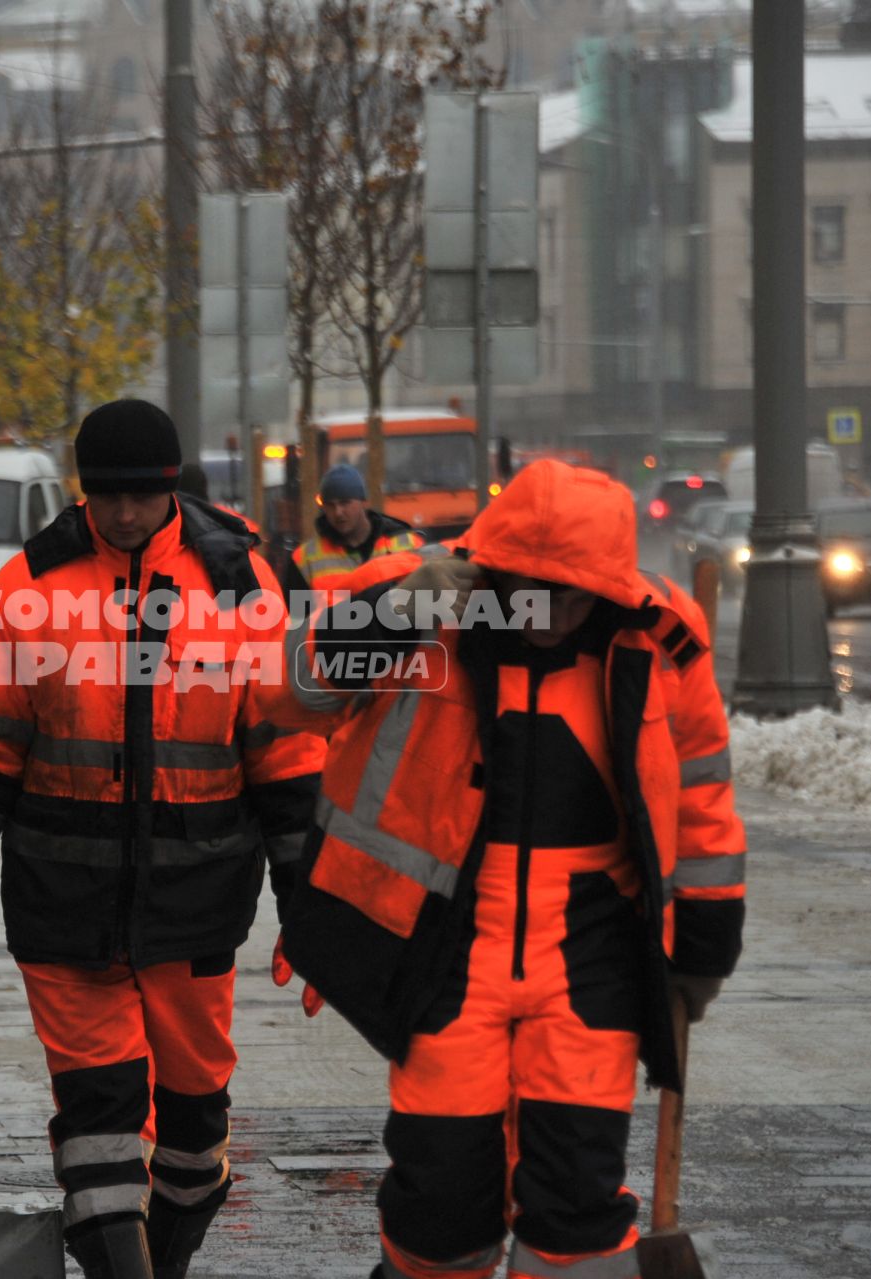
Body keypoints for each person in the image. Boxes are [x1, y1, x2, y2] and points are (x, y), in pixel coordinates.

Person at [272, 459, 746, 1279]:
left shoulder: (663, 636)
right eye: (534, 588)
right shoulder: (413, 592)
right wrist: (398, 613)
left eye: (572, 593)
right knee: (442, 1200)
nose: (552, 613)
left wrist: (704, 942)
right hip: (446, 943)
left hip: (589, 949)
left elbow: (702, 796)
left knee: (578, 1204)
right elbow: (288, 692)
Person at [0, 400, 323, 1278]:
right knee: (98, 1132)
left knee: (194, 1145)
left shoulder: (241, 586)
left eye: (141, 496)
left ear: (171, 488)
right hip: (64, 907)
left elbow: (285, 761)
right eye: (106, 496)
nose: (123, 514)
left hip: (197, 905)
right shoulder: (31, 589)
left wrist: (312, 905)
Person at [279, 463, 423, 601]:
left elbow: (427, 603)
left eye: (345, 503)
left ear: (363, 502)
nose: (338, 512)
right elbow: (297, 622)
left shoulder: (407, 545)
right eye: (330, 505)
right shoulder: (305, 560)